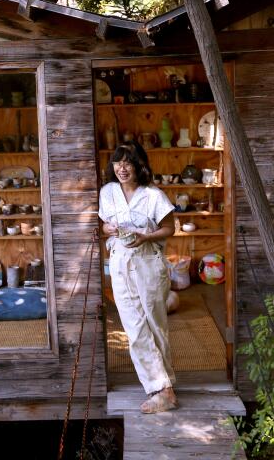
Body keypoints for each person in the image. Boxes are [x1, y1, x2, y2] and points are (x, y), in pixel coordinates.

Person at [98, 140, 178, 414]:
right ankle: (162, 389)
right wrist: (108, 228)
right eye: (117, 162)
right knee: (134, 329)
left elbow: (170, 228)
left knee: (156, 326)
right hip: (120, 263)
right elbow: (105, 224)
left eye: (128, 162)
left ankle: (165, 389)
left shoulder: (153, 195)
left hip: (148, 264)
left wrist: (146, 236)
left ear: (139, 165)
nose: (122, 167)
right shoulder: (108, 192)